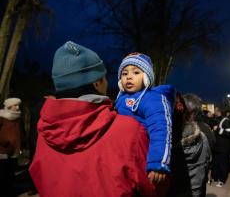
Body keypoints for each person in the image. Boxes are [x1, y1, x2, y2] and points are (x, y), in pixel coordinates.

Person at [29, 41, 161, 197]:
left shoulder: (43, 130)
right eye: (104, 77)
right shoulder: (130, 130)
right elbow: (154, 188)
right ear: (97, 82)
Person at [115, 52, 175, 184]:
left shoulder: (153, 99)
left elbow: (160, 129)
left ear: (147, 77)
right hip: (121, 157)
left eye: (136, 72)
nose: (129, 77)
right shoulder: (120, 99)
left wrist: (158, 162)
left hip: (143, 158)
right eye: (124, 74)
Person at [0, 97, 22, 197]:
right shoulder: (2, 117)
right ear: (9, 106)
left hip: (14, 150)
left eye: (18, 105)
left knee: (10, 172)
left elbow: (17, 133)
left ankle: (10, 191)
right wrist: (4, 141)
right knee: (3, 172)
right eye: (15, 105)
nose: (17, 107)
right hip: (2, 150)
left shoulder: (17, 117)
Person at [210, 107, 230, 187]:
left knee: (223, 164)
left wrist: (218, 130)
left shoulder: (226, 121)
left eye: (215, 111)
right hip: (217, 147)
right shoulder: (217, 120)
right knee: (216, 163)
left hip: (224, 148)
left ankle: (222, 180)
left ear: (219, 112)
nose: (214, 112)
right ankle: (216, 177)